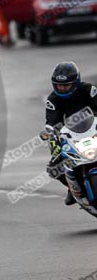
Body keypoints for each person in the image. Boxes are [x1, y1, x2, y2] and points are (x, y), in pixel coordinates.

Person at [43, 61, 97, 206]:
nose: (62, 88)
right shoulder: (53, 100)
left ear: (76, 82)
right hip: (71, 136)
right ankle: (72, 188)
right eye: (59, 85)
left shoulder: (88, 89)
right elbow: (51, 123)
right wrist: (52, 138)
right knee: (54, 166)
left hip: (94, 129)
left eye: (66, 85)